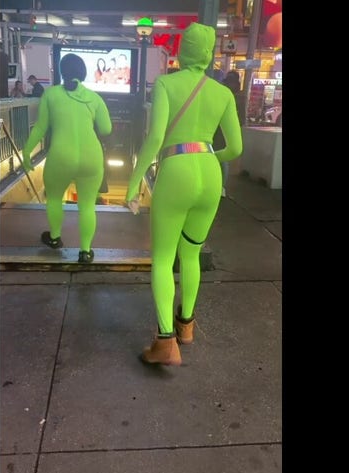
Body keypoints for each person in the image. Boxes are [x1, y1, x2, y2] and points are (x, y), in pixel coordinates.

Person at [125, 22, 243, 365]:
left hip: (176, 169)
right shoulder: (223, 93)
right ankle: (186, 326)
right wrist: (207, 157)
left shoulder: (166, 83)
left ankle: (164, 342)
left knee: (163, 258)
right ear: (209, 54)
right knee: (191, 254)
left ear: (181, 51)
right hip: (209, 172)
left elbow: (155, 138)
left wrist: (134, 183)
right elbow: (236, 148)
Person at [22, 54, 112, 263]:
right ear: (84, 73)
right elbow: (106, 129)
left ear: (62, 72)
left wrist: (27, 151)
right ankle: (85, 252)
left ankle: (54, 238)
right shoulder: (94, 98)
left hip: (61, 155)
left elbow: (41, 127)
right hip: (92, 156)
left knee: (54, 198)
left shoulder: (51, 95)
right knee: (87, 206)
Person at [212, 71, 245, 197]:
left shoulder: (223, 93)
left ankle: (219, 186)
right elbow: (242, 119)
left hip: (218, 130)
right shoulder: (239, 97)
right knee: (224, 159)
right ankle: (221, 187)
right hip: (227, 131)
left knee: (219, 158)